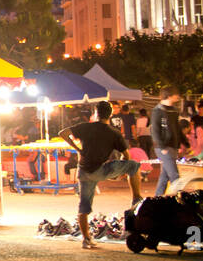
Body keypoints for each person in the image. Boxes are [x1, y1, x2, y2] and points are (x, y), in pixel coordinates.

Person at [60, 101, 143, 249]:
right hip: (101, 171)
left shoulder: (85, 127)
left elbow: (63, 133)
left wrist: (77, 148)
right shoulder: (113, 133)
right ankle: (136, 198)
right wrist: (119, 171)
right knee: (134, 166)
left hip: (84, 172)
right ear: (110, 115)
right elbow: (127, 156)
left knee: (83, 207)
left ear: (95, 113)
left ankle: (86, 239)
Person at [151, 87, 182, 196]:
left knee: (165, 176)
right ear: (169, 95)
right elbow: (155, 130)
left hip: (173, 146)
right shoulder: (157, 111)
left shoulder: (173, 110)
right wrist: (162, 146)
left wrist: (184, 142)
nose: (177, 96)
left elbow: (177, 129)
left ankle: (157, 199)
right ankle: (180, 200)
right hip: (163, 147)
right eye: (175, 94)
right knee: (175, 176)